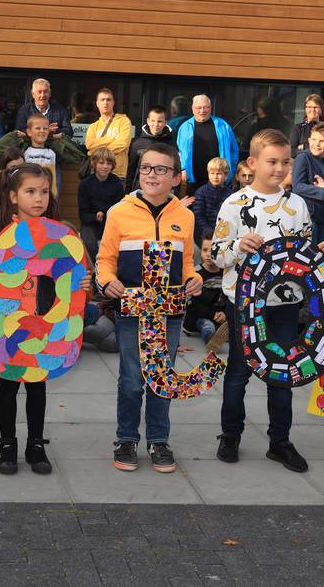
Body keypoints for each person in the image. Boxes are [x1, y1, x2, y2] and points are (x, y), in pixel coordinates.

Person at [0, 163, 92, 475]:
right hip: (12, 321)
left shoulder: (60, 236)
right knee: (8, 383)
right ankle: (8, 444)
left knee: (38, 386)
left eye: (44, 191)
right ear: (14, 196)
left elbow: (71, 280)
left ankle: (36, 444)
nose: (39, 198)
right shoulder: (4, 237)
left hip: (45, 323)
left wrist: (82, 285)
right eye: (31, 191)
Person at [210, 128, 313, 472]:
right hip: (243, 304)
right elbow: (216, 256)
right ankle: (230, 435)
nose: (280, 168)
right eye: (272, 161)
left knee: (281, 372)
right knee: (239, 371)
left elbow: (306, 253)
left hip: (284, 305)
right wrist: (237, 247)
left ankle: (280, 441)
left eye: (286, 161)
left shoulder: (297, 204)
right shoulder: (234, 204)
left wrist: (317, 255)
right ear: (252, 163)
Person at [98, 142, 202, 473]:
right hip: (131, 313)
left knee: (162, 378)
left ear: (176, 177)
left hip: (169, 315)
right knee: (131, 378)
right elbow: (105, 260)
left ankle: (159, 440)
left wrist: (193, 278)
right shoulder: (118, 212)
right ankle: (126, 439)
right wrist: (106, 281)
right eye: (146, 168)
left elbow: (186, 262)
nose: (152, 175)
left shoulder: (184, 216)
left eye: (161, 169)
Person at [176, 95, 239, 194]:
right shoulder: (184, 128)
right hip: (194, 182)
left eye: (206, 107)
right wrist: (183, 168)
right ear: (193, 109)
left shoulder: (223, 125)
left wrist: (231, 170)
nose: (202, 110)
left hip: (220, 181)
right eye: (199, 108)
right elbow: (179, 151)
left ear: (211, 108)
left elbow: (234, 150)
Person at [291, 122, 324, 242]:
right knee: (307, 253)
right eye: (314, 139)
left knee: (322, 256)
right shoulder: (303, 158)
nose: (317, 144)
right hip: (308, 217)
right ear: (309, 140)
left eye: (323, 141)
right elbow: (297, 186)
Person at [78, 148, 124, 263]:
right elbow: (83, 214)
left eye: (108, 163)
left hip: (111, 222)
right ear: (94, 164)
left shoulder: (117, 183)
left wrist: (105, 214)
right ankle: (94, 271)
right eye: (101, 163)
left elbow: (119, 208)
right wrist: (95, 216)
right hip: (90, 223)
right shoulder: (85, 184)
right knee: (89, 243)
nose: (105, 166)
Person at [183, 230, 227, 344]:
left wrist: (224, 313)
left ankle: (226, 335)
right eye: (205, 250)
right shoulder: (195, 274)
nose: (208, 254)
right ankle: (212, 339)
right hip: (199, 316)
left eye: (212, 250)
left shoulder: (225, 273)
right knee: (207, 325)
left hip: (219, 315)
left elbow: (229, 296)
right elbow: (193, 303)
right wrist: (212, 315)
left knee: (232, 323)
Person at [84, 88, 134, 179]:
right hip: (96, 173)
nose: (105, 102)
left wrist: (96, 151)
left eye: (108, 99)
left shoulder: (124, 121)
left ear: (113, 103)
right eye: (102, 100)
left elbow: (123, 144)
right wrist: (112, 139)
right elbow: (89, 145)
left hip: (118, 173)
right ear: (97, 103)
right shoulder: (93, 127)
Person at [127, 106, 174, 192]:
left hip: (162, 191)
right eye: (153, 121)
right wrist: (128, 192)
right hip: (140, 190)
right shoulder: (137, 143)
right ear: (148, 121)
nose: (156, 124)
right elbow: (131, 171)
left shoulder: (172, 144)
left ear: (165, 122)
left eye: (160, 121)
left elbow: (174, 170)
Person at [190, 157, 234, 242]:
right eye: (212, 173)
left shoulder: (231, 194)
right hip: (204, 235)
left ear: (226, 175)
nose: (215, 176)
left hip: (225, 234)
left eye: (219, 173)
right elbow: (199, 216)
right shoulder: (201, 192)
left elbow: (231, 216)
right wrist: (209, 232)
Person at [21, 114, 61, 195]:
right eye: (38, 128)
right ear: (29, 132)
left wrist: (53, 195)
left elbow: (53, 178)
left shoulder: (52, 153)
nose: (42, 131)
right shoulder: (25, 153)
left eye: (45, 128)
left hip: (48, 195)